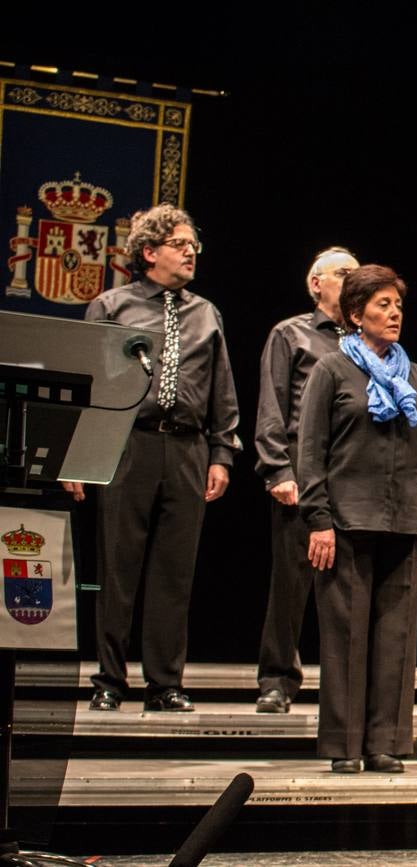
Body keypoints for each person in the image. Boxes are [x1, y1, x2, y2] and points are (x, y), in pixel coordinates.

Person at [77, 204, 240, 713]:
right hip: (127, 443)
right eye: (180, 244)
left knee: (175, 573)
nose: (191, 252)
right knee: (118, 566)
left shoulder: (206, 312)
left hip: (188, 448)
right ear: (149, 252)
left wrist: (221, 453)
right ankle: (108, 679)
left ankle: (165, 681)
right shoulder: (112, 305)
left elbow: (221, 389)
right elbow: (86, 384)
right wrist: (80, 456)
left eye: (194, 245)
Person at [298, 264, 417, 773]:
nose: (394, 314)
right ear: (356, 314)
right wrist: (317, 519)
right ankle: (345, 745)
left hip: (406, 521)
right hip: (346, 521)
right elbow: (311, 453)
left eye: (398, 306)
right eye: (383, 305)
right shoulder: (332, 370)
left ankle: (384, 742)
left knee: (395, 639)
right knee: (345, 637)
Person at [252, 246, 358, 714]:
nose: (353, 280)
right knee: (291, 584)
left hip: (353, 477)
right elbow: (272, 406)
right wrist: (277, 468)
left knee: (348, 588)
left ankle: (346, 686)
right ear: (317, 283)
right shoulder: (291, 334)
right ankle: (277, 678)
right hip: (302, 471)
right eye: (343, 274)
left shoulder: (366, 342)